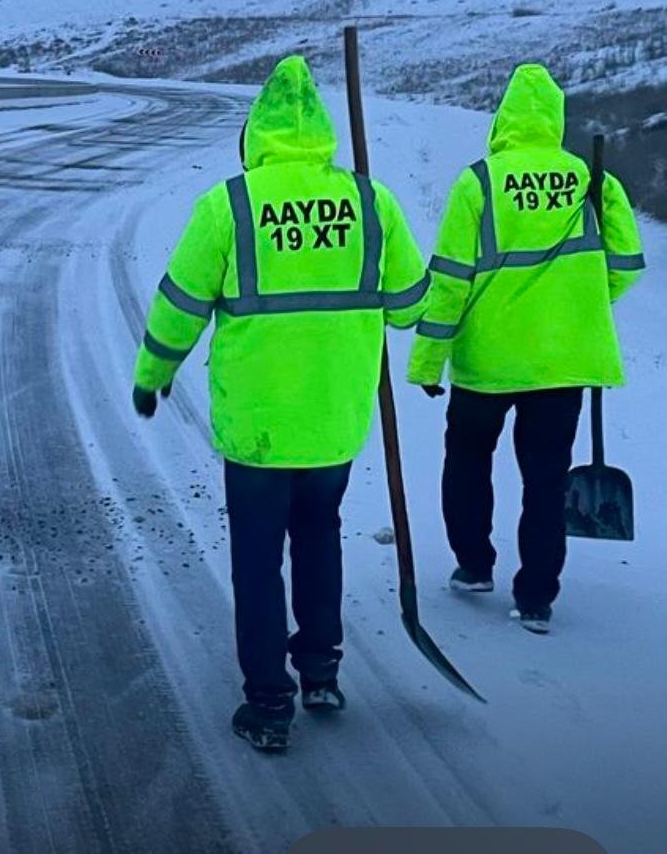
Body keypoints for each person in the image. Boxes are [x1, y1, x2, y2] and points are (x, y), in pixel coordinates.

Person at [131, 55, 429, 752]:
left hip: (258, 428)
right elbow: (411, 305)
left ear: (254, 136)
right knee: (320, 536)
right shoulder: (370, 200)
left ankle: (268, 704)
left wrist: (154, 373)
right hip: (332, 422)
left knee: (257, 560)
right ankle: (320, 669)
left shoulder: (229, 204)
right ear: (321, 133)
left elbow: (179, 305)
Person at [407, 63, 645, 634]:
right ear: (555, 120)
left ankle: (474, 565)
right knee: (546, 477)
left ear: (505, 118)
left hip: (486, 362)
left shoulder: (481, 182)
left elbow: (450, 280)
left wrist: (427, 360)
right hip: (562, 363)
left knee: (467, 461)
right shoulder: (594, 179)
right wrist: (577, 304)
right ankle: (536, 598)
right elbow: (628, 267)